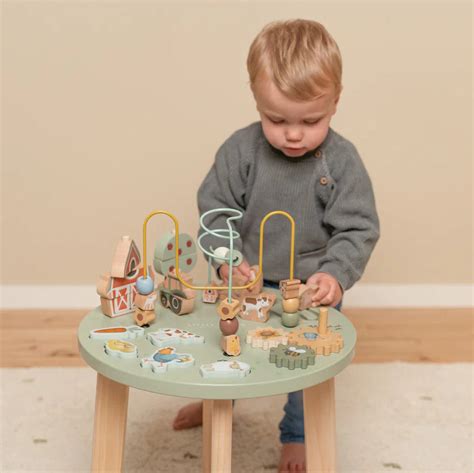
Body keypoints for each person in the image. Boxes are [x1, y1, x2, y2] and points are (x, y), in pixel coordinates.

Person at [173, 19, 380, 473]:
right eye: (277, 119)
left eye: (311, 121)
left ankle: (298, 435)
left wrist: (334, 274)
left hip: (307, 289)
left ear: (335, 102)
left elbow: (358, 228)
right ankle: (215, 402)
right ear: (256, 100)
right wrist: (226, 261)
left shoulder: (341, 161)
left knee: (306, 367)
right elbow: (216, 212)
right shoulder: (240, 151)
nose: (293, 134)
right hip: (244, 280)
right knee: (222, 344)